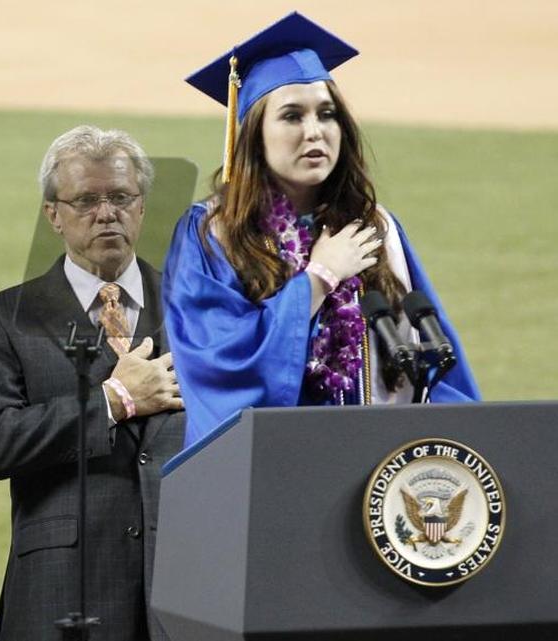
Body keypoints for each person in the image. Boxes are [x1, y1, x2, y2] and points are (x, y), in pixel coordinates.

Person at [162, 12, 480, 449]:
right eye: (292, 116)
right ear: (252, 133)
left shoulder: (376, 229)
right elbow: (221, 369)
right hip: (272, 469)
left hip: (376, 468)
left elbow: (437, 367)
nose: (314, 132)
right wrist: (319, 278)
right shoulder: (214, 236)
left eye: (326, 114)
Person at [0, 125, 185, 641]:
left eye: (121, 197)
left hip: (184, 577)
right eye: (86, 199)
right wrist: (114, 401)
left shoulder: (195, 309)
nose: (106, 213)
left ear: (142, 206)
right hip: (64, 586)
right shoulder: (3, 319)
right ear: (53, 214)